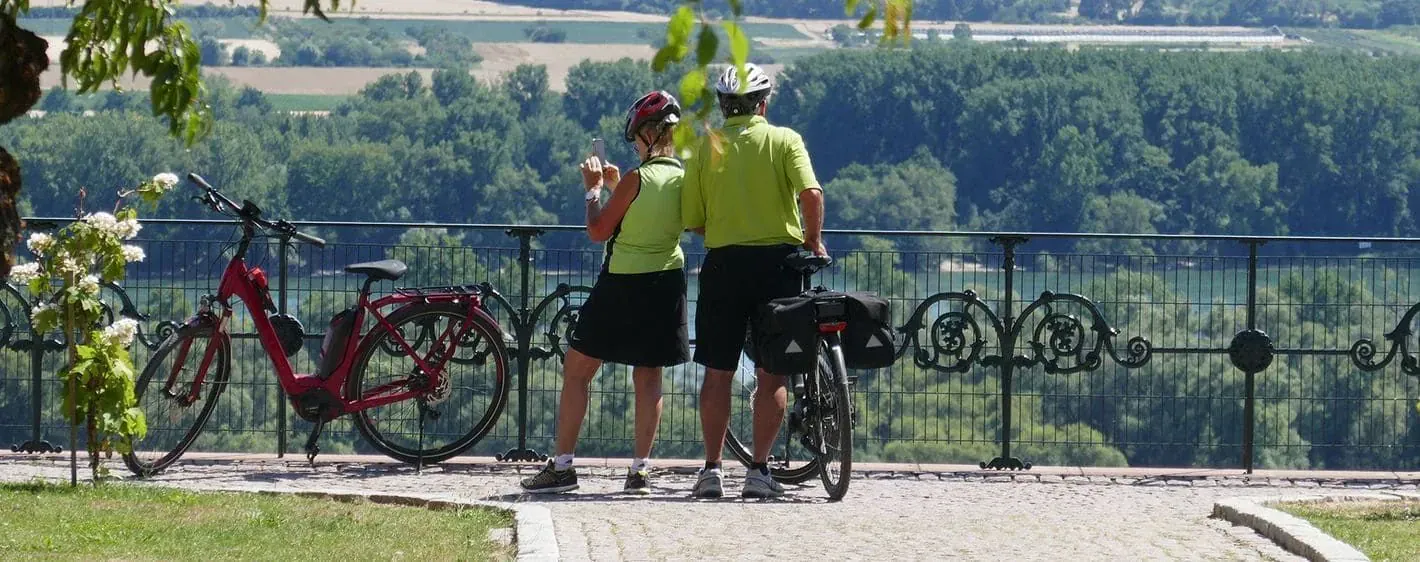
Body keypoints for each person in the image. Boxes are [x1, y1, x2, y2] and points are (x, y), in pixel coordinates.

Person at [520, 91, 690, 495]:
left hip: (622, 282)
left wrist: (594, 190)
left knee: (578, 370)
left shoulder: (637, 178)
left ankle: (562, 467)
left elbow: (598, 231)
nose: (633, 145)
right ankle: (640, 471)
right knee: (649, 376)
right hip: (667, 280)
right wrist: (619, 188)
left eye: (635, 138)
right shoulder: (684, 178)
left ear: (648, 134)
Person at [682, 63, 827, 499]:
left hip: (724, 265)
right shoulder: (785, 140)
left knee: (718, 372)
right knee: (772, 374)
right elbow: (811, 194)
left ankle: (711, 470)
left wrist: (729, 234)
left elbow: (694, 220)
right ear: (763, 104)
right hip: (778, 267)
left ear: (725, 106)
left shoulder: (706, 148)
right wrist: (813, 240)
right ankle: (759, 472)